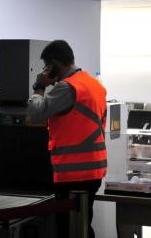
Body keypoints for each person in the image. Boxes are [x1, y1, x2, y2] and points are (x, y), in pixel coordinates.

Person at [27, 40, 107, 238]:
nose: (45, 70)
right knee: (82, 226)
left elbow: (35, 114)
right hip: (93, 169)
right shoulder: (93, 84)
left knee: (69, 229)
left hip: (73, 173)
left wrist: (39, 86)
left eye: (47, 66)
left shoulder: (68, 88)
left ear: (54, 64)